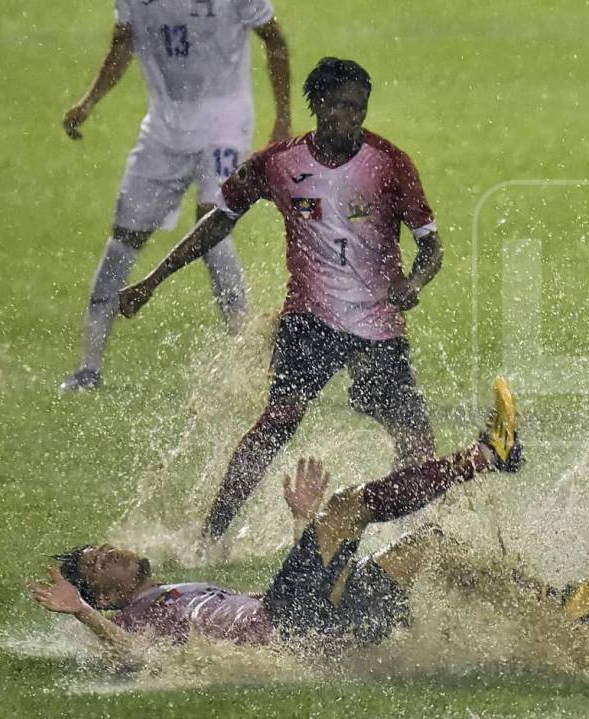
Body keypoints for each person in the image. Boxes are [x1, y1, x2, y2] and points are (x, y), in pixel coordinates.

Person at [117, 58, 444, 549]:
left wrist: (415, 283)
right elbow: (220, 221)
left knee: (417, 444)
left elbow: (432, 248)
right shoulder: (279, 163)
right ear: (317, 107)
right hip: (309, 321)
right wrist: (153, 279)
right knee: (278, 421)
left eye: (358, 108)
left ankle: (416, 540)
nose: (349, 118)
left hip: (378, 326)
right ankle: (211, 536)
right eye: (338, 107)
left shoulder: (389, 164)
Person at [28, 379, 589, 654]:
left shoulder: (173, 591)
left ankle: (556, 611)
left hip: (319, 621)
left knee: (429, 546)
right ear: (102, 597)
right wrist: (80, 614)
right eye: (95, 565)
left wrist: (307, 528)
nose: (106, 553)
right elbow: (132, 660)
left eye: (100, 547)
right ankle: (486, 455)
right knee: (351, 505)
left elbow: (291, 592)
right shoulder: (131, 621)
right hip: (292, 627)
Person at [60, 0, 292, 392]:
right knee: (124, 239)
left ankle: (249, 359)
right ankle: (89, 368)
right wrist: (89, 101)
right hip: (163, 133)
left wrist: (282, 119)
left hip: (226, 123)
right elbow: (123, 42)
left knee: (213, 225)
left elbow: (275, 40)